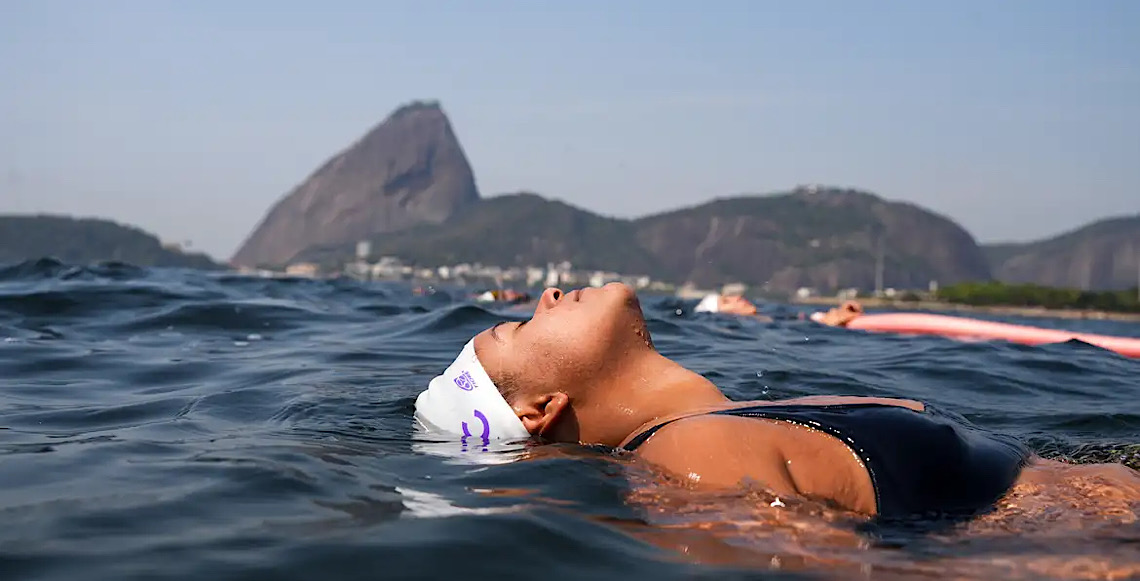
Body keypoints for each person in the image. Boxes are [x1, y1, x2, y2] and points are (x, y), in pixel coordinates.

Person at [414, 283, 1140, 519]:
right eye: (516, 327)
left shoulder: (717, 427)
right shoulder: (686, 455)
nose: (543, 295)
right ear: (539, 409)